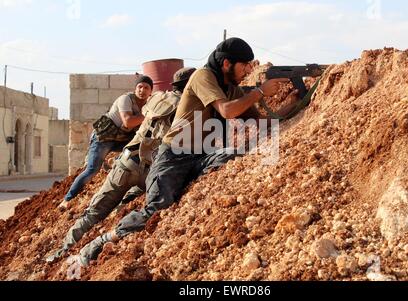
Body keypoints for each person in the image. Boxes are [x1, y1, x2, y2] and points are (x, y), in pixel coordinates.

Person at [77, 37, 298, 265]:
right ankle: (102, 240)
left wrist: (294, 102)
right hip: (173, 157)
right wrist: (260, 92)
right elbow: (227, 111)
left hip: (200, 157)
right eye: (244, 65)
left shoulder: (231, 88)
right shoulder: (204, 76)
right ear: (226, 64)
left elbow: (259, 121)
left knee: (233, 154)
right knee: (157, 209)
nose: (248, 71)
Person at [46, 68, 196, 263]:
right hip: (152, 170)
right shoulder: (188, 107)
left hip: (127, 163)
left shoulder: (157, 98)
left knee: (95, 212)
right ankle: (118, 218)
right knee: (131, 191)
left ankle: (61, 252)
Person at [59, 76, 153, 210]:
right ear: (135, 88)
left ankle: (115, 161)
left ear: (151, 91)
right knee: (92, 170)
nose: (142, 90)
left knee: (141, 145)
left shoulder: (147, 105)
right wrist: (148, 115)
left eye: (146, 88)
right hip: (103, 139)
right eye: (140, 87)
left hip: (121, 140)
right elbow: (128, 121)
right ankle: (67, 199)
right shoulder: (126, 99)